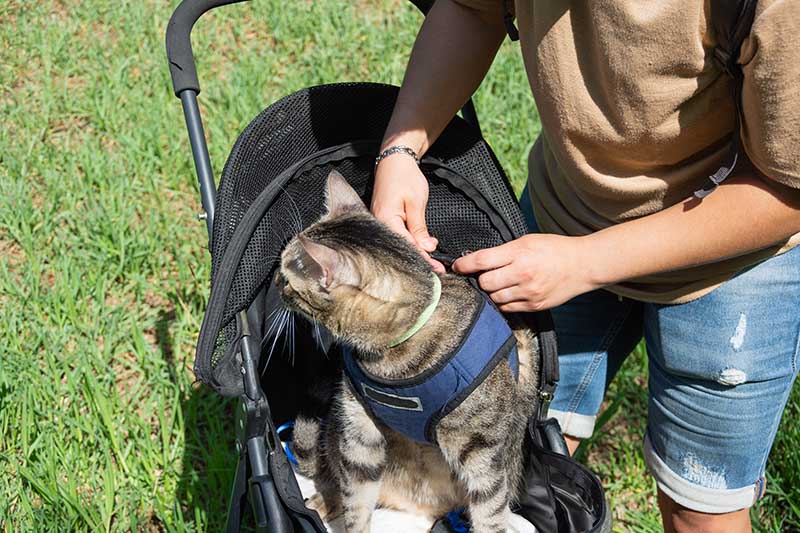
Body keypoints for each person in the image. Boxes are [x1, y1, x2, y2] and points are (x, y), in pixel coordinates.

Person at [369, 1, 800, 532]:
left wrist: (586, 263)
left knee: (699, 512)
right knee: (503, 450)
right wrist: (400, 153)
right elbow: (472, 10)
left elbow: (788, 189)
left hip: (730, 264)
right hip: (566, 215)